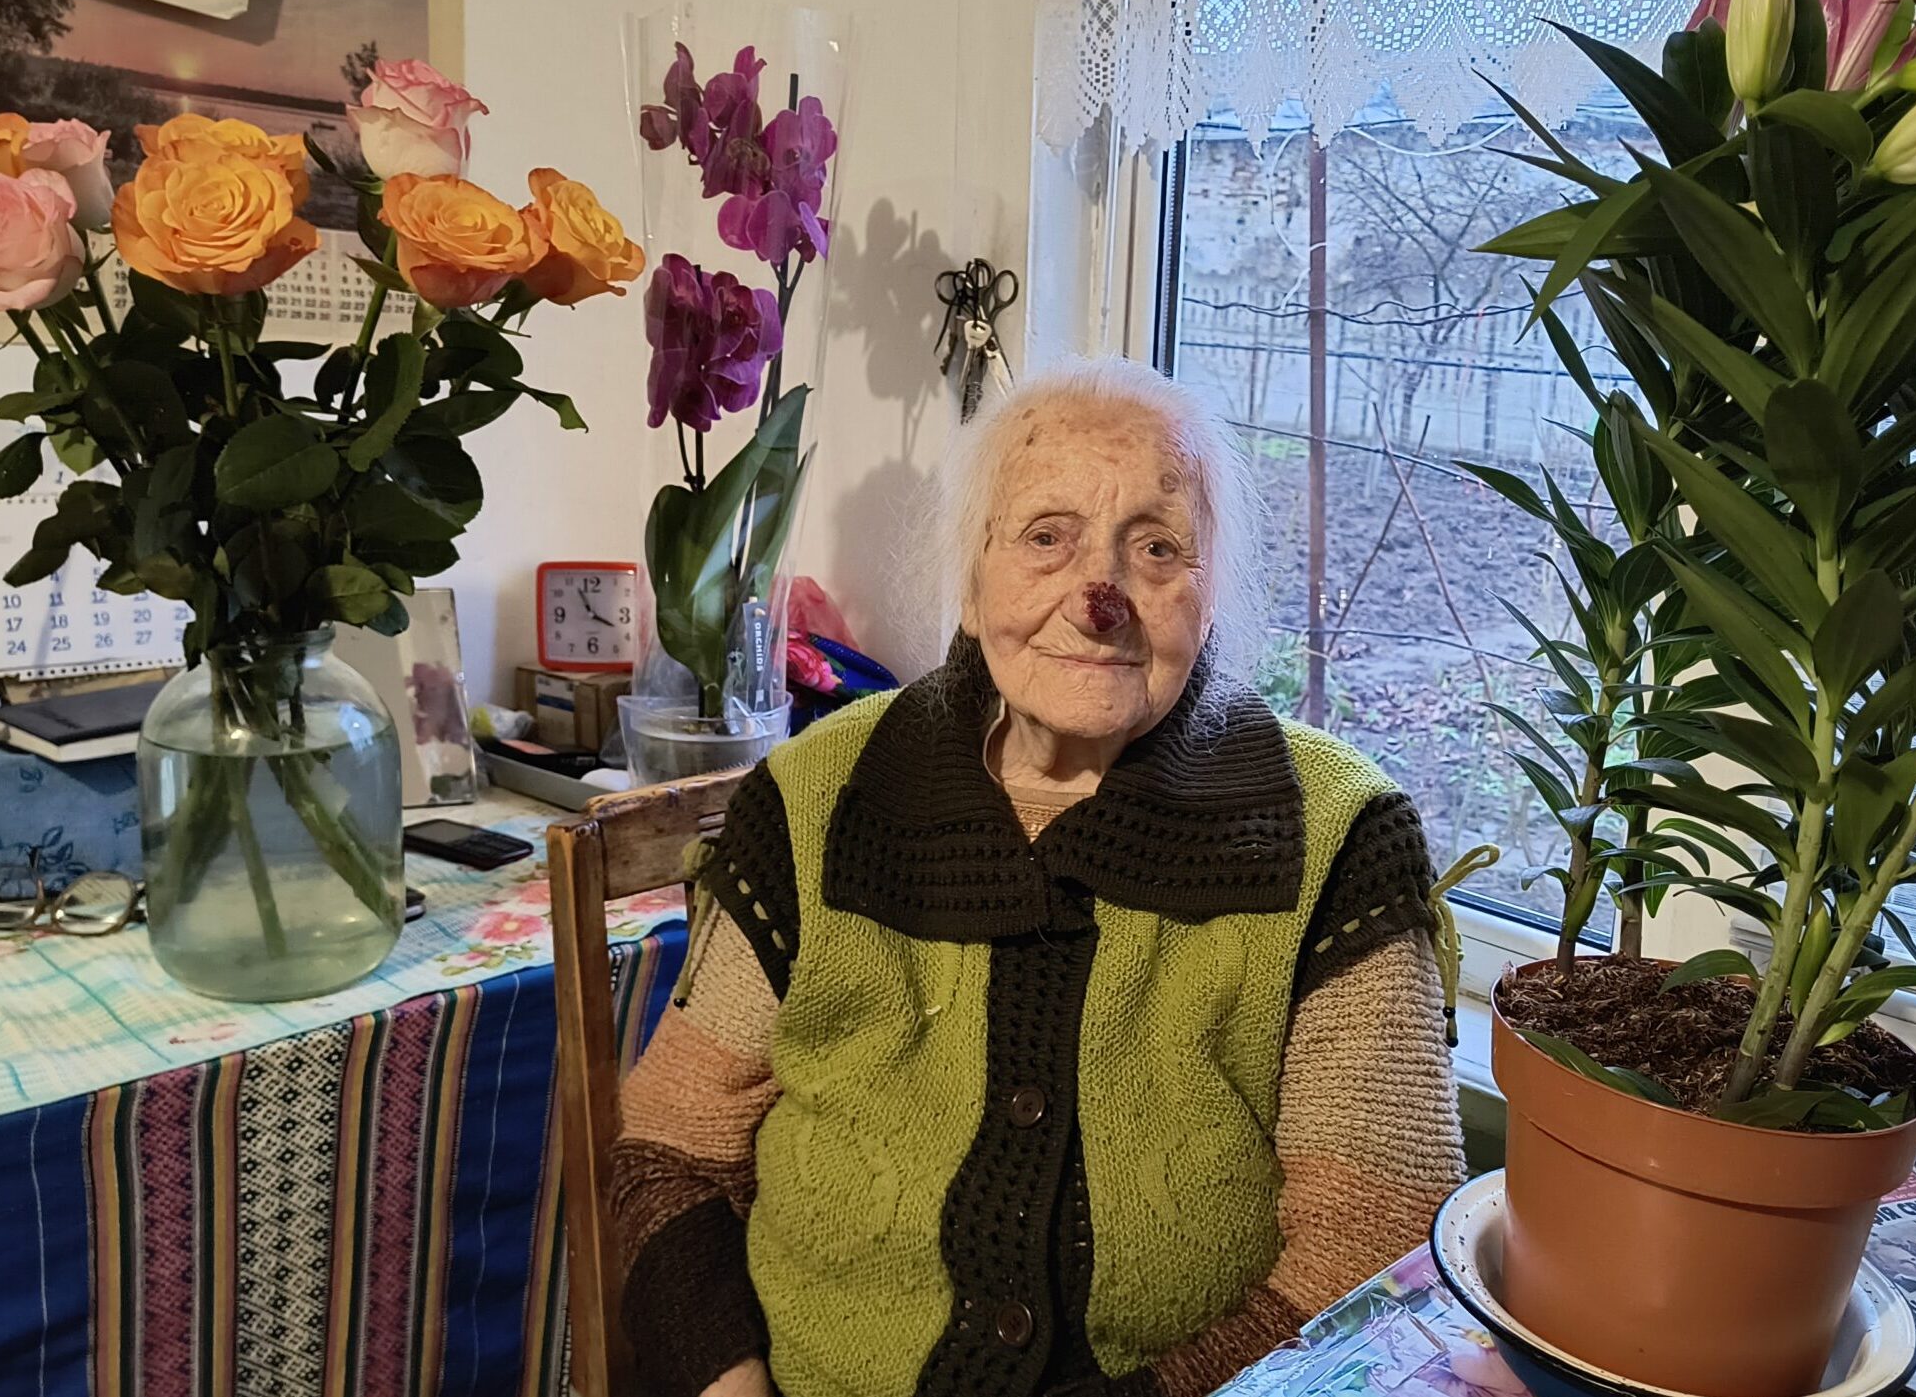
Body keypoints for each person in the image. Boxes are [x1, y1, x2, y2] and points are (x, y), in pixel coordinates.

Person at [610, 358, 1466, 1397]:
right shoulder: (815, 796)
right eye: (1045, 537)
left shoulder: (1338, 838)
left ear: (1208, 600)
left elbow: (1375, 1248)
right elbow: (669, 1154)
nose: (1097, 600)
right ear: (972, 584)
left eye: (1156, 547)